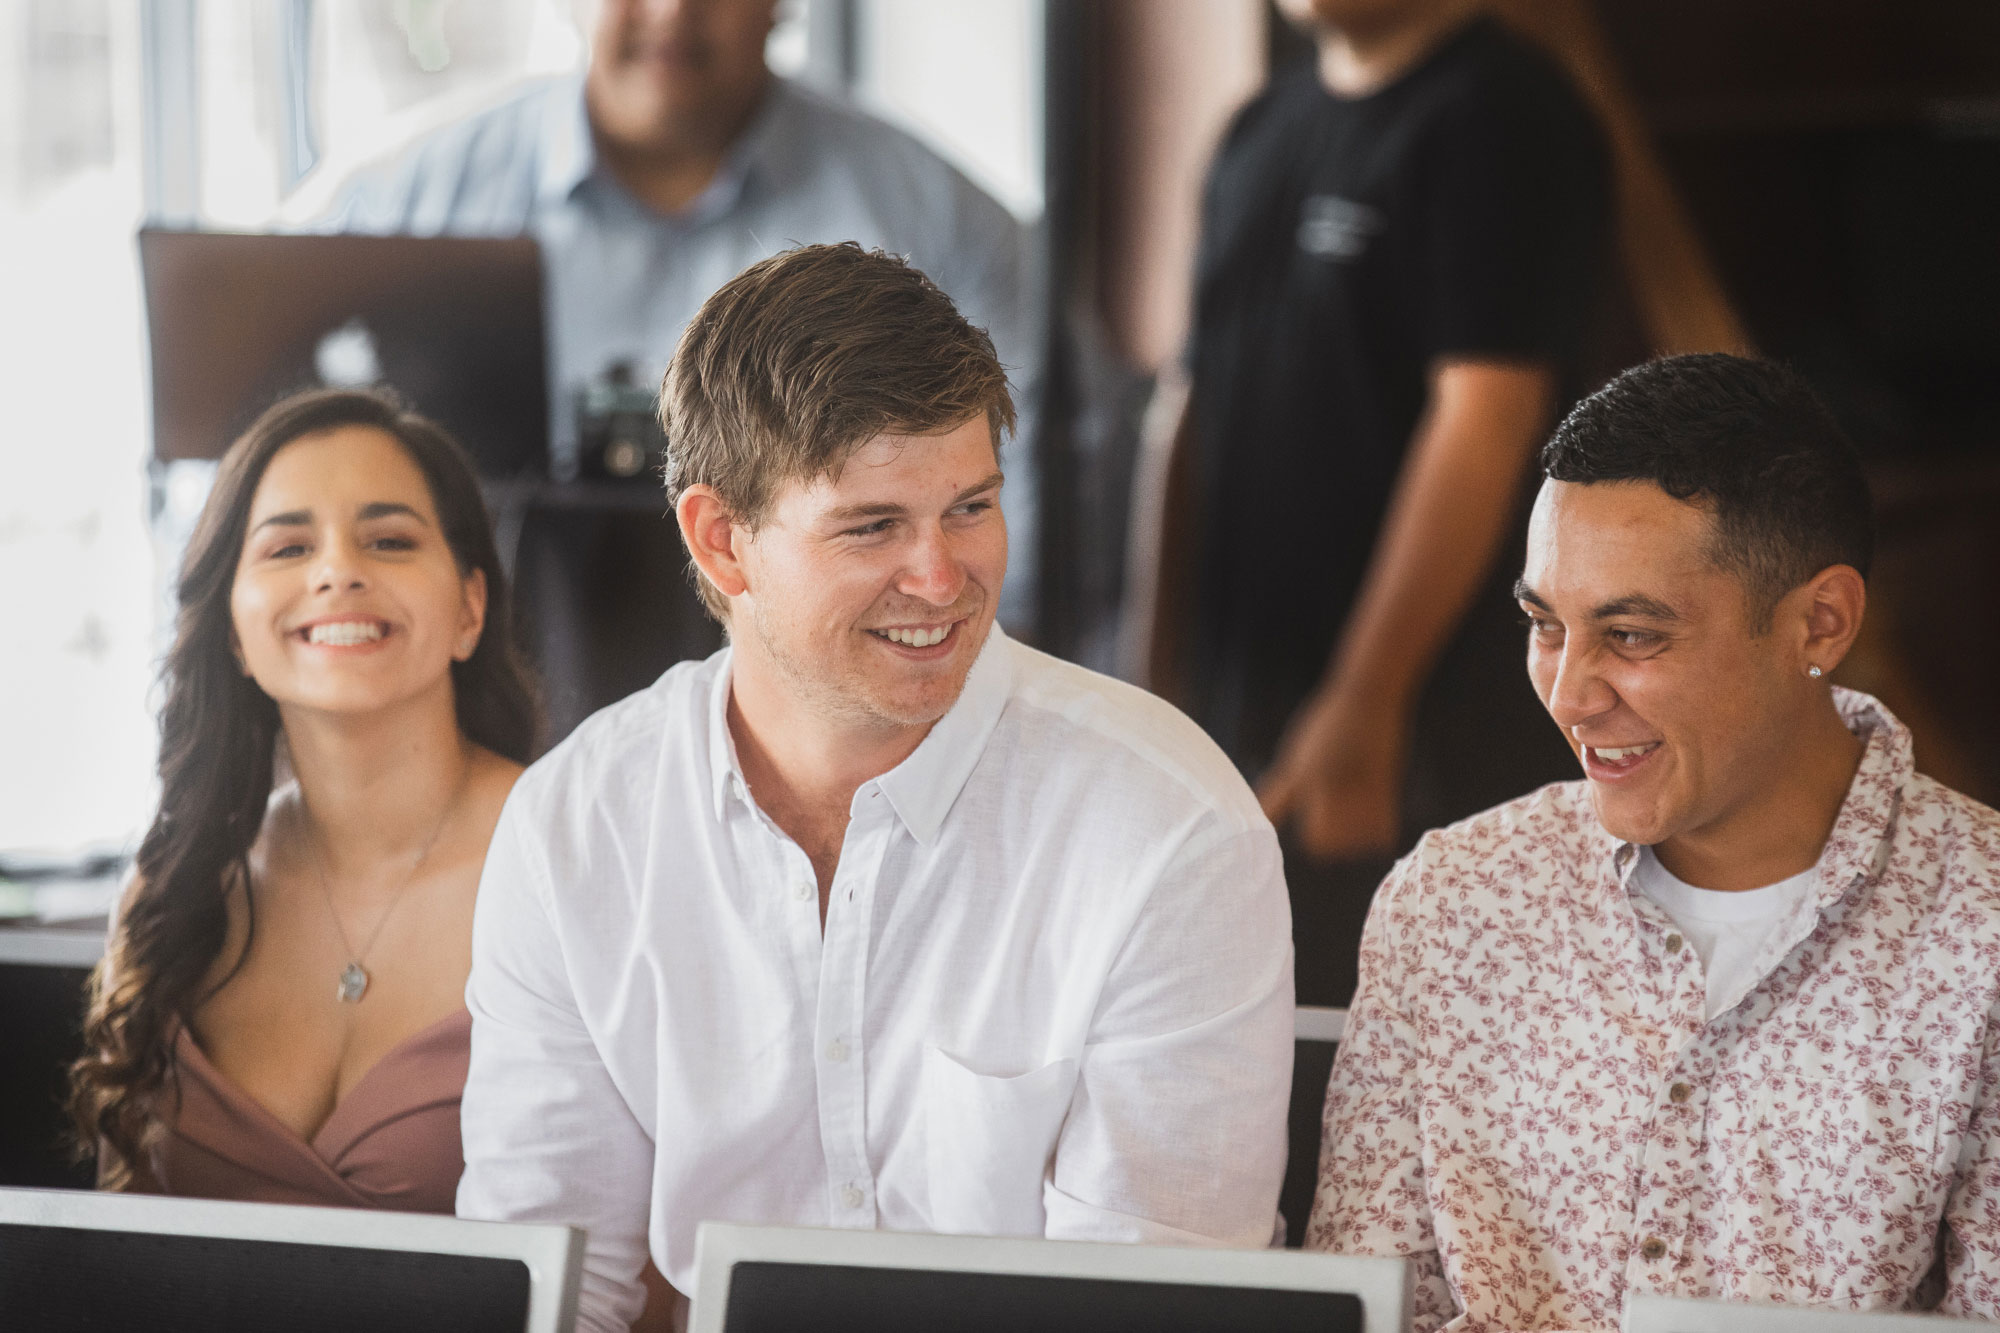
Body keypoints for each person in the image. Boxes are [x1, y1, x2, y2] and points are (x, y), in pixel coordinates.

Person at [456, 244, 1293, 1331]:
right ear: (722, 542)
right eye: (871, 526)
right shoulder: (577, 825)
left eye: (969, 507)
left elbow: (1154, 1316)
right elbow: (552, 1293)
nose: (941, 579)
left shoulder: (1168, 827)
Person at [1308, 354, 2000, 1329]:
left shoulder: (1980, 935)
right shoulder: (1448, 901)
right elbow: (1360, 1306)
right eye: (1544, 623)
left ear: (1819, 621)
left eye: (1631, 635)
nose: (1569, 692)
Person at [317, 0, 1040, 735]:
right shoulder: (394, 210)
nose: (671, 11)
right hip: (475, 724)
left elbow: (1030, 498)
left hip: (858, 725)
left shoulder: (942, 228)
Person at [1126, 0, 1610, 1005]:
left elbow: (1484, 414)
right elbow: (1188, 406)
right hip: (1239, 714)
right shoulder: (1258, 127)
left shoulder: (1502, 111)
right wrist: (1146, 684)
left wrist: (1363, 700)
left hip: (1417, 736)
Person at [69, 389, 536, 1211]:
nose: (337, 570)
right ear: (233, 633)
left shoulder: (574, 860)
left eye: (388, 539)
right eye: (287, 547)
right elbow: (123, 1246)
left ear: (469, 608)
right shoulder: (176, 888)